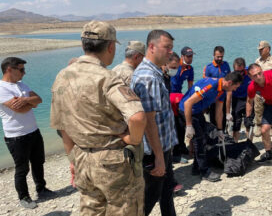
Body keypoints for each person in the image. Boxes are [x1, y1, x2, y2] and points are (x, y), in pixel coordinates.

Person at [51, 20, 147, 215]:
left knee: (91, 209)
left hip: (82, 157)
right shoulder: (107, 77)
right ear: (111, 46)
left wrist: (73, 159)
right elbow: (137, 117)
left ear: (82, 45)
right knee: (125, 209)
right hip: (112, 162)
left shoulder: (62, 76)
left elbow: (62, 125)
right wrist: (133, 139)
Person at [131, 29, 178, 216]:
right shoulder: (148, 77)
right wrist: (159, 157)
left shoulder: (154, 72)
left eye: (171, 48)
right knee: (149, 198)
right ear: (151, 47)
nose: (170, 52)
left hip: (162, 147)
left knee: (166, 193)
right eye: (166, 47)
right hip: (153, 152)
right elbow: (149, 122)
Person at [0, 57, 53, 209]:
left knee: (38, 162)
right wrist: (29, 102)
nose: (24, 73)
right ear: (9, 69)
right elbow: (20, 109)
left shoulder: (21, 85)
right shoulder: (1, 88)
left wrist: (25, 100)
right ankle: (24, 197)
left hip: (33, 131)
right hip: (16, 136)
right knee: (22, 168)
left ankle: (41, 189)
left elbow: (39, 99)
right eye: (21, 69)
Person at [179, 71, 243, 182]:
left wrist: (219, 130)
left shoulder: (222, 90)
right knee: (199, 141)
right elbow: (187, 103)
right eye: (235, 87)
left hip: (197, 111)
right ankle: (204, 171)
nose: (235, 90)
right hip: (187, 111)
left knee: (206, 137)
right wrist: (189, 125)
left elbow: (219, 112)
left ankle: (196, 167)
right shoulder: (210, 86)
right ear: (229, 82)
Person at [253, 41, 272, 137]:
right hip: (259, 89)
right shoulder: (257, 61)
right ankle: (259, 125)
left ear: (268, 49)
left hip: (271, 90)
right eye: (259, 50)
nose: (260, 51)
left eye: (261, 49)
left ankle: (271, 127)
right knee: (258, 108)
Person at [203, 46, 231, 131]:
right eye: (218, 56)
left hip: (224, 97)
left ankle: (223, 134)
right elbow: (205, 84)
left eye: (221, 56)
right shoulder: (208, 67)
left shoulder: (226, 65)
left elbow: (229, 80)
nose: (220, 58)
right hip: (213, 98)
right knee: (213, 118)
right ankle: (214, 136)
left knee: (223, 118)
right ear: (213, 55)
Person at [226, 57, 252, 142]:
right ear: (234, 69)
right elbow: (229, 95)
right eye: (237, 71)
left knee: (248, 123)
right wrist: (227, 112)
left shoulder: (249, 74)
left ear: (244, 68)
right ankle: (235, 143)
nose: (239, 73)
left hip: (248, 100)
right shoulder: (232, 77)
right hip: (236, 100)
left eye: (241, 71)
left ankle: (249, 143)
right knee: (236, 124)